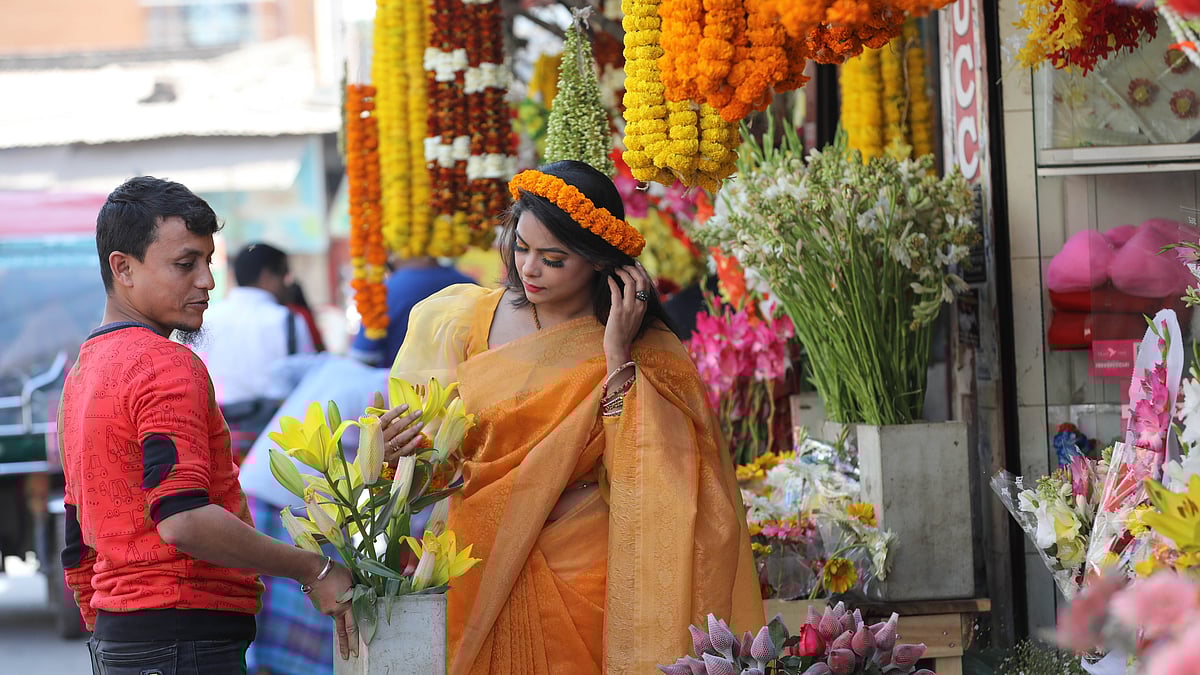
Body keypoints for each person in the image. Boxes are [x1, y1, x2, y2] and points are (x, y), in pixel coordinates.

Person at [390, 160, 762, 673]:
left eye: (553, 258)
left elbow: (666, 478)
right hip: (473, 560)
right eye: (521, 247)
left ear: (597, 261)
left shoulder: (645, 348)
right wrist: (396, 452)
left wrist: (616, 357)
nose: (529, 269)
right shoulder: (459, 320)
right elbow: (431, 464)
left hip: (585, 571)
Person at [58, 176, 361, 674]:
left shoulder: (83, 372)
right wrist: (314, 568)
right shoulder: (164, 363)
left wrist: (108, 631)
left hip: (125, 638)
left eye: (207, 261)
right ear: (123, 268)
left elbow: (77, 534)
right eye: (185, 264)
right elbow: (184, 519)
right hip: (182, 636)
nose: (207, 281)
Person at [237, 355, 392, 675]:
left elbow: (279, 370)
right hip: (294, 509)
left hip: (253, 492)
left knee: (263, 628)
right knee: (297, 635)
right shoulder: (387, 392)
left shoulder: (336, 365)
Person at [200, 242, 317, 459]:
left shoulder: (206, 318)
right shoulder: (288, 320)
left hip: (215, 439)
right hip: (274, 441)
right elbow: (309, 382)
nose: (287, 284)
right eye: (284, 274)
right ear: (267, 276)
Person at [348, 256, 475, 367]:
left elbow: (362, 357)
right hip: (467, 388)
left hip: (399, 390)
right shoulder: (470, 285)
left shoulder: (385, 292)